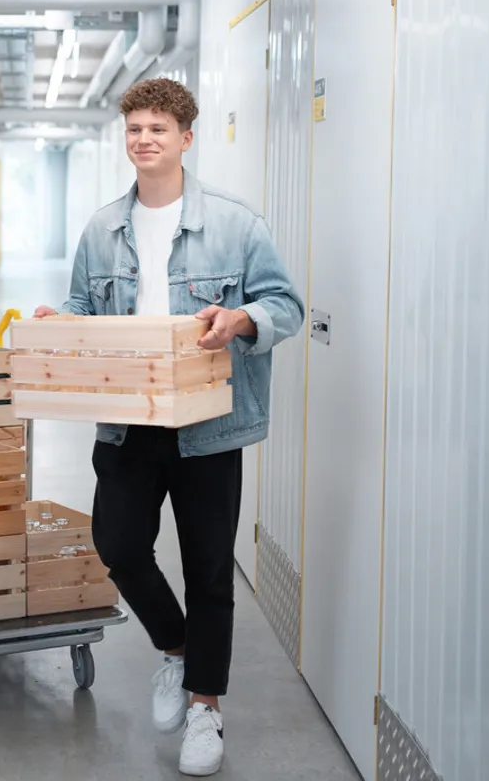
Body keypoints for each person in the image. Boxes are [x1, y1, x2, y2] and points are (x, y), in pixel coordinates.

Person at [34, 77, 303, 777]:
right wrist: (61, 322)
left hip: (207, 422)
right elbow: (81, 305)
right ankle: (177, 650)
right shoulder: (102, 229)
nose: (144, 139)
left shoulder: (237, 224)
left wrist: (241, 318)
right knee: (118, 545)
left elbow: (286, 305)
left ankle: (205, 706)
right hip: (127, 419)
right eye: (134, 129)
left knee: (209, 568)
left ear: (186, 137)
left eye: (158, 128)